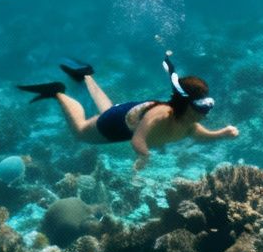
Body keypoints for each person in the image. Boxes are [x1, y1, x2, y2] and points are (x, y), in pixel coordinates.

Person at [18, 54, 238, 171]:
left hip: (130, 114)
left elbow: (198, 135)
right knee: (82, 131)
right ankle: (58, 92)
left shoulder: (189, 121)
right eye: (201, 107)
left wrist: (221, 134)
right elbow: (138, 140)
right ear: (186, 104)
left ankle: (86, 75)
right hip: (121, 124)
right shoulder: (161, 115)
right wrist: (144, 156)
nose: (205, 112)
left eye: (208, 105)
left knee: (108, 109)